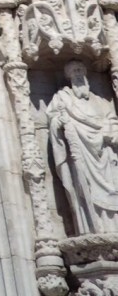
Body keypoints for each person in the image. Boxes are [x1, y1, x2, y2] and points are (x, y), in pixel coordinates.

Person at [48, 60, 118, 234]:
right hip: (81, 154)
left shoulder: (101, 102)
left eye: (80, 70)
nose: (78, 74)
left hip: (106, 157)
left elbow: (113, 123)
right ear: (68, 76)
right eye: (73, 71)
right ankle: (91, 229)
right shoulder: (62, 99)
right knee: (83, 188)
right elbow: (54, 121)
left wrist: (109, 134)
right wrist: (61, 123)